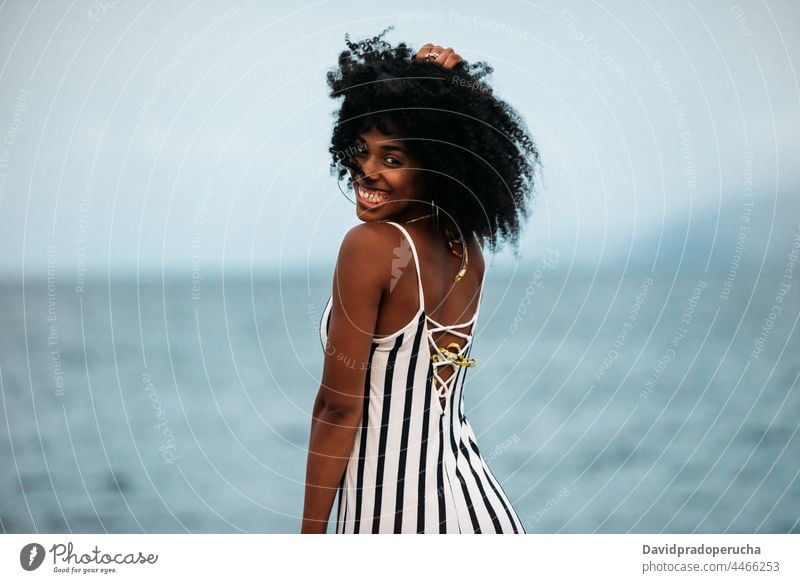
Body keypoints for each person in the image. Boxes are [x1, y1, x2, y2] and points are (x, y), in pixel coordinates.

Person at [302, 26, 541, 534]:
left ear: (434, 167)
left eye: (393, 159)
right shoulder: (465, 249)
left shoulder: (370, 247)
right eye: (361, 149)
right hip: (481, 512)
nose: (366, 171)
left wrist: (308, 542)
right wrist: (432, 88)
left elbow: (338, 407)